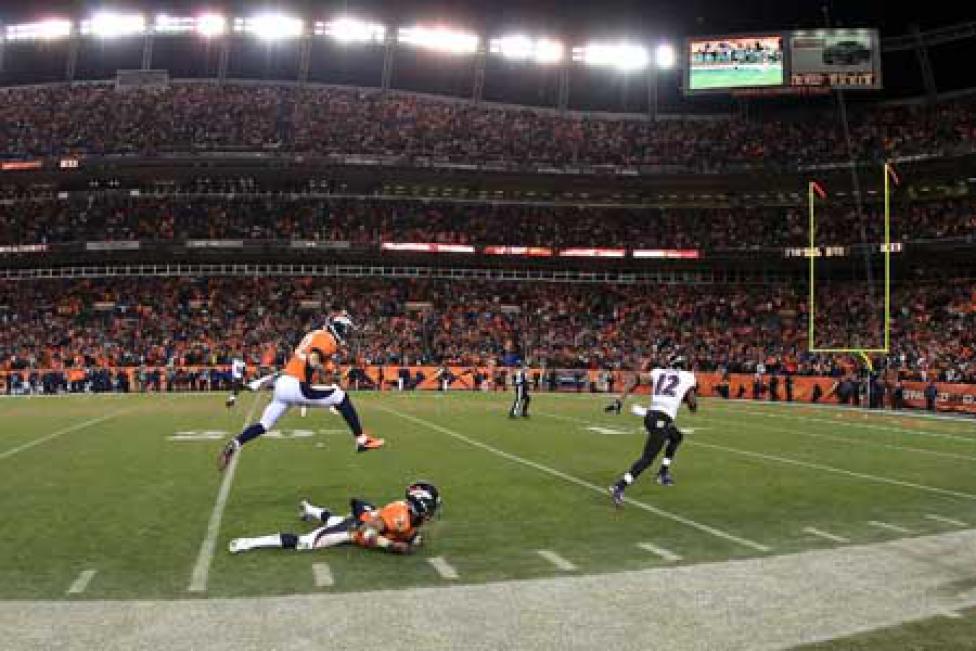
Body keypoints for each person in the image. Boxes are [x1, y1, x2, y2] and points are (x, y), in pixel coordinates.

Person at [217, 312, 384, 471]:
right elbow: (313, 361)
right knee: (340, 397)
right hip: (296, 386)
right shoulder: (327, 339)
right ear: (338, 328)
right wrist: (325, 370)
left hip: (283, 385)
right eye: (345, 330)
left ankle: (236, 442)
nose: (346, 335)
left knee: (263, 425)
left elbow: (316, 361)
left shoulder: (315, 335)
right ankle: (361, 440)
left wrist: (332, 371)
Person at [229, 481, 441, 555]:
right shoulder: (399, 514)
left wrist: (412, 539)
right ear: (420, 503)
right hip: (355, 527)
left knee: (333, 521)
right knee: (305, 543)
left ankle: (309, 508)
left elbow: (407, 533)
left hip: (366, 513)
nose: (433, 511)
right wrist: (390, 546)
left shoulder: (412, 516)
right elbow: (367, 533)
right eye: (431, 505)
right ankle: (250, 542)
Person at [605, 355, 697, 506]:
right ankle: (619, 486)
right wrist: (691, 403)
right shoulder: (688, 376)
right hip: (661, 419)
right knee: (647, 459)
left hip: (651, 416)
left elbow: (634, 378)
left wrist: (619, 401)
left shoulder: (658, 372)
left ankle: (663, 472)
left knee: (676, 437)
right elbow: (692, 402)